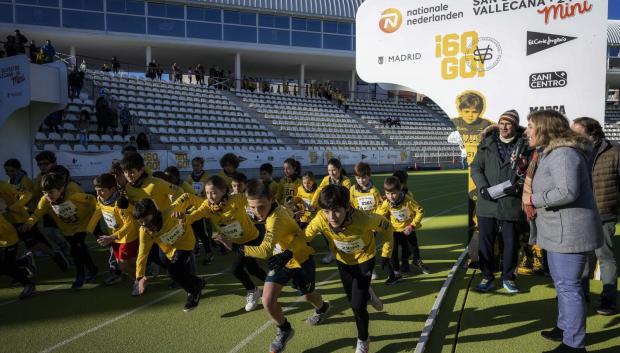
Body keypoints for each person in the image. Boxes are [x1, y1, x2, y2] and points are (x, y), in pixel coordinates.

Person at [522, 110, 603, 353]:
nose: (526, 131)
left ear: (545, 128)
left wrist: (533, 199)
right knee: (563, 285)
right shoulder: (552, 152)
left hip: (570, 234)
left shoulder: (563, 154)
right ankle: (564, 328)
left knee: (569, 288)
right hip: (560, 232)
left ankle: (574, 345)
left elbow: (567, 191)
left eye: (530, 126)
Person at [218, 180, 330, 353]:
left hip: (300, 259)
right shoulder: (269, 209)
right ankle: (284, 329)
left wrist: (234, 246)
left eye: (261, 207)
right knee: (267, 300)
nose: (256, 212)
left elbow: (264, 251)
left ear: (271, 199)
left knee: (308, 296)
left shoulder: (275, 218)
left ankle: (323, 307)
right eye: (252, 208)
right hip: (281, 259)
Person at [305, 185, 392, 353]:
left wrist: (386, 254)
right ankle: (367, 292)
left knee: (357, 306)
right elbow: (305, 236)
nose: (331, 217)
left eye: (336, 211)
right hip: (343, 261)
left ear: (347, 207)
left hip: (364, 259)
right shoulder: (321, 219)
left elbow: (387, 226)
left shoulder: (364, 219)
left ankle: (363, 339)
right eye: (326, 211)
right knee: (353, 299)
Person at [172, 176, 267, 311]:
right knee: (252, 268)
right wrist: (183, 217)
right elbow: (195, 215)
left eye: (214, 192)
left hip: (252, 239)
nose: (210, 196)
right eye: (207, 193)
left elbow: (257, 200)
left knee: (236, 269)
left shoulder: (237, 200)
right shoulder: (207, 206)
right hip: (236, 242)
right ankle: (272, 282)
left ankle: (253, 291)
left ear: (224, 191)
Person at [470, 110, 527, 293]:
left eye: (508, 123)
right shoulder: (487, 144)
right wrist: (482, 187)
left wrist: (519, 186)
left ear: (515, 126)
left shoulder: (525, 145)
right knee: (485, 242)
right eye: (501, 122)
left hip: (511, 203)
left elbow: (531, 171)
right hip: (487, 203)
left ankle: (508, 277)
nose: (504, 127)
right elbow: (476, 168)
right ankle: (487, 277)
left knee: (511, 243)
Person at [571, 117, 619, 315]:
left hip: (604, 213)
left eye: (576, 131)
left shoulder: (615, 152)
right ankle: (581, 295)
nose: (571, 135)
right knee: (582, 258)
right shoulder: (573, 151)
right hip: (580, 214)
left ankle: (608, 300)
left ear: (592, 132)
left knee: (605, 257)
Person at [20, 173, 98, 289]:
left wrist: (97, 215)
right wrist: (29, 223)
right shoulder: (45, 200)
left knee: (76, 249)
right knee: (80, 249)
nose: (48, 196)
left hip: (82, 224)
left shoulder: (73, 195)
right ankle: (92, 269)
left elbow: (92, 200)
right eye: (45, 193)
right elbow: (38, 212)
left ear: (61, 189)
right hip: (67, 229)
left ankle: (80, 276)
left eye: (51, 192)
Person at [133, 199, 204, 311]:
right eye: (140, 222)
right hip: (168, 248)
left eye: (146, 219)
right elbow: (142, 253)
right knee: (166, 264)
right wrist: (140, 277)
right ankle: (197, 281)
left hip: (185, 242)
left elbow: (187, 196)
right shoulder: (144, 231)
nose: (144, 224)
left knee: (174, 272)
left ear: (154, 213)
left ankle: (193, 292)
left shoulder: (172, 211)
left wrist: (206, 205)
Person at [87, 174, 139, 291]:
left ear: (113, 189)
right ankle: (139, 278)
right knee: (129, 263)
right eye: (96, 191)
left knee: (123, 265)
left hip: (128, 237)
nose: (98, 194)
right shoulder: (101, 200)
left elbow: (129, 224)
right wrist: (89, 228)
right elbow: (98, 211)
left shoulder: (120, 203)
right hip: (115, 238)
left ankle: (140, 281)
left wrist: (111, 237)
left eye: (102, 191)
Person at [377, 176, 426, 282]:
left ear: (399, 190)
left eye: (393, 193)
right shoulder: (386, 203)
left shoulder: (408, 200)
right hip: (394, 231)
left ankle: (416, 261)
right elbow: (379, 214)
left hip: (408, 230)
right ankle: (396, 272)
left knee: (412, 248)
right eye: (388, 194)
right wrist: (374, 224)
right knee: (393, 251)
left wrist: (412, 225)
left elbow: (420, 211)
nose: (391, 196)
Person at [311, 158, 352, 264]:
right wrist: (312, 204)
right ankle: (332, 252)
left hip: (340, 212)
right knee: (326, 231)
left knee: (344, 231)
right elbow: (318, 191)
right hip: (329, 211)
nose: (331, 173)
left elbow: (346, 196)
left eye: (334, 170)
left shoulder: (346, 181)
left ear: (339, 169)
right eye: (329, 170)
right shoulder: (326, 179)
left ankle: (346, 251)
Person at [0, 214, 36, 299]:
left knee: (6, 267)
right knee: (4, 267)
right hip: (2, 241)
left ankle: (28, 285)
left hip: (9, 240)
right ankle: (25, 261)